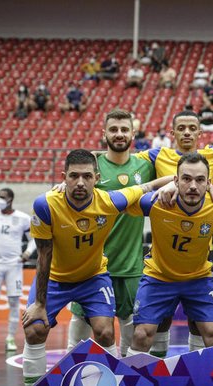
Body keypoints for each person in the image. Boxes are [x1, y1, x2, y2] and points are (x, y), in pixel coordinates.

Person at [16, 149, 168, 386]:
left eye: (87, 176)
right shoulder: (45, 205)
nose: (81, 182)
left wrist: (173, 180)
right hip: (56, 279)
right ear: (63, 178)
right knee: (35, 328)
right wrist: (39, 303)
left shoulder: (110, 201)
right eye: (74, 176)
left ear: (98, 179)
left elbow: (145, 187)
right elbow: (44, 255)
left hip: (94, 277)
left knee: (106, 332)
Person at [66, 110, 157, 357]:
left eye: (124, 130)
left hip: (130, 266)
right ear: (104, 133)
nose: (119, 134)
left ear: (133, 134)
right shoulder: (91, 167)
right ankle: (66, 384)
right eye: (114, 129)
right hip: (92, 266)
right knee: (81, 332)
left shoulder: (146, 166)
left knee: (129, 333)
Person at [126, 153, 213, 356]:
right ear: (175, 180)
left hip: (198, 278)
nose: (193, 186)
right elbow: (114, 201)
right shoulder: (155, 202)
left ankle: (208, 383)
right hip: (159, 276)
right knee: (142, 335)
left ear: (209, 183)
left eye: (200, 180)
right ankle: (134, 385)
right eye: (186, 179)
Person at [0, 188, 35, 353]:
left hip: (14, 265)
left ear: (11, 199)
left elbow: (34, 239)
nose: (0, 199)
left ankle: (10, 338)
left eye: (3, 197)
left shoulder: (23, 218)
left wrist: (27, 253)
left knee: (13, 302)